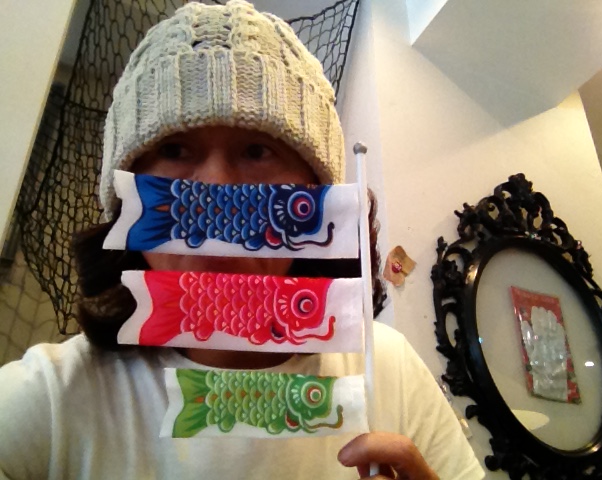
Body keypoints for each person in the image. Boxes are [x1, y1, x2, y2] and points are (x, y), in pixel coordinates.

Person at [0, 2, 484, 479]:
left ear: (318, 195)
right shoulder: (49, 402)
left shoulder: (393, 374)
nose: (217, 189)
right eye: (175, 149)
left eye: (257, 150)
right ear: (124, 196)